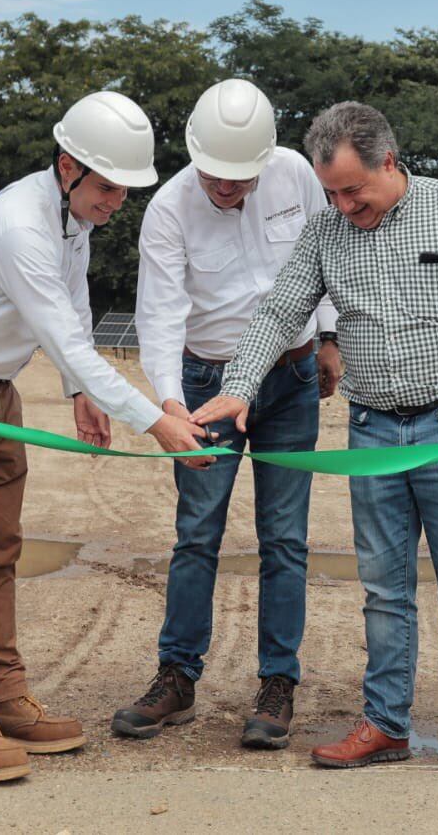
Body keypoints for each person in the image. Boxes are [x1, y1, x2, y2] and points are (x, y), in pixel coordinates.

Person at [191, 101, 438, 783]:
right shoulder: (324, 233)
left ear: (388, 161)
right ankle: (386, 724)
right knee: (382, 587)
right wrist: (239, 385)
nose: (345, 205)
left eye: (355, 190)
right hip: (373, 429)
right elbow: (280, 310)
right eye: (331, 193)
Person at [0, 90, 213, 783]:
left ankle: (5, 697)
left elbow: (73, 306)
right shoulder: (20, 227)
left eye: (125, 189)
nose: (116, 201)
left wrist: (77, 394)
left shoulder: (73, 220)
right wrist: (155, 419)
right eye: (106, 186)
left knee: (1, 546)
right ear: (66, 165)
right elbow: (66, 336)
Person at [112, 79, 341, 750]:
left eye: (241, 177)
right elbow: (157, 312)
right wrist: (168, 406)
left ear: (265, 160)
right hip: (207, 383)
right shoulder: (167, 209)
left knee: (285, 539)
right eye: (215, 174)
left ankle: (277, 685)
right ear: (193, 154)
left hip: (291, 378)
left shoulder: (295, 173)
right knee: (197, 534)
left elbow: (321, 257)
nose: (227, 187)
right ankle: (176, 677)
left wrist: (327, 338)